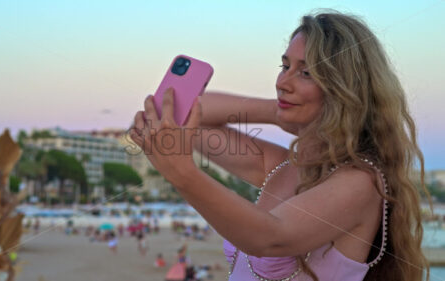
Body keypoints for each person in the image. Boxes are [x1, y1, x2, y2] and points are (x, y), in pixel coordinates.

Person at [129, 11, 432, 281]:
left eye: (306, 72)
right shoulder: (282, 167)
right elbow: (194, 114)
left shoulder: (360, 182)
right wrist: (277, 112)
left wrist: (183, 174)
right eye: (284, 65)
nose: (282, 82)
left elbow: (270, 237)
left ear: (344, 89)